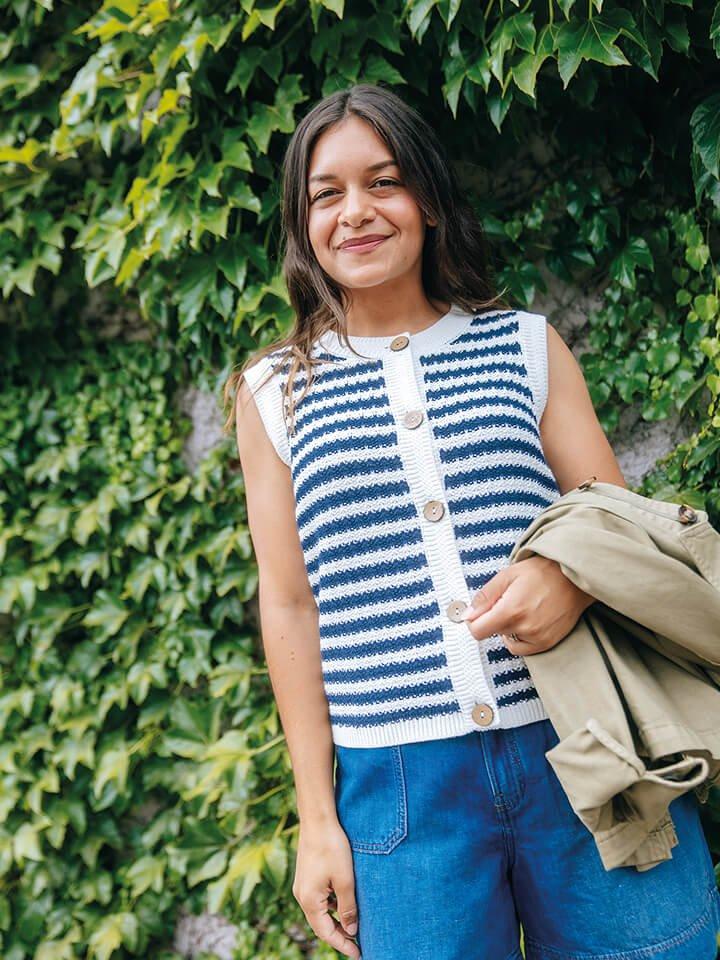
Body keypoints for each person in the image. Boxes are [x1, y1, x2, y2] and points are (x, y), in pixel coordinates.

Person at [225, 83, 720, 960]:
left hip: (584, 746)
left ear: (427, 198)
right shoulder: (273, 392)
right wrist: (315, 819)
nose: (357, 213)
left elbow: (617, 528)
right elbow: (289, 605)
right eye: (325, 194)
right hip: (401, 792)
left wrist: (566, 577)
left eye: (384, 182)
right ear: (302, 225)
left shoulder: (523, 346)